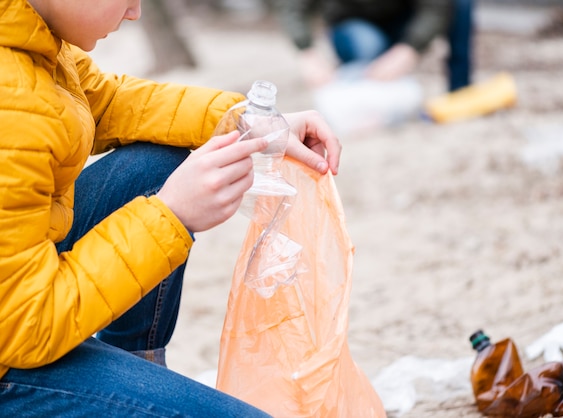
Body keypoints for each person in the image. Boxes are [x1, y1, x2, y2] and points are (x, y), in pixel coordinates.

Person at [0, 0, 341, 416]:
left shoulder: (25, 33)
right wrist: (171, 214)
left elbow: (104, 102)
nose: (135, 12)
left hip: (19, 293)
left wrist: (247, 123)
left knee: (156, 163)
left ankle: (129, 377)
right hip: (17, 337)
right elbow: (24, 324)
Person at [272, 0, 473, 92]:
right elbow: (291, 5)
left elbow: (436, 6)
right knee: (367, 47)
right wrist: (306, 50)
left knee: (460, 3)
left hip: (401, 18)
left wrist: (411, 48)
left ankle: (460, 90)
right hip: (354, 24)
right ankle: (361, 82)